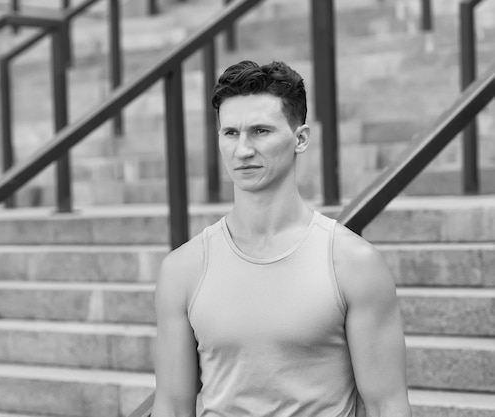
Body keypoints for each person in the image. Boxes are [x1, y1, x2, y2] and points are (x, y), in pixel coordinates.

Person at [151, 60, 411, 417]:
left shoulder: (354, 264)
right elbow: (172, 406)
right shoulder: (182, 269)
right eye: (230, 133)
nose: (242, 150)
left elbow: (387, 405)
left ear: (300, 138)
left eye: (260, 131)